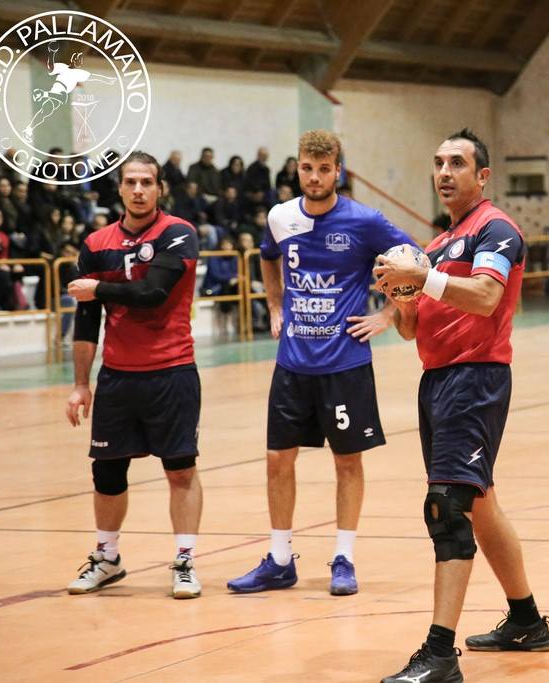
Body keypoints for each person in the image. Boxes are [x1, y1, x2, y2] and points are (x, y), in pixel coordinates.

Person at [374, 129, 549, 683]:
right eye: (438, 163)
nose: (445, 172)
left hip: (475, 380)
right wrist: (399, 296)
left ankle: (439, 655)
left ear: (482, 176)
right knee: (480, 505)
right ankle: (526, 621)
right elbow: (411, 331)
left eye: (457, 162)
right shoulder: (434, 246)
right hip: (437, 383)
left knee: (447, 508)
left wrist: (422, 278)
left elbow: (486, 297)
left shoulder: (495, 229)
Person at [226, 129, 416, 597]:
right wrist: (274, 305)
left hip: (345, 363)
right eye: (307, 169)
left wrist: (388, 314)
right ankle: (279, 560)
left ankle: (344, 558)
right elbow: (267, 257)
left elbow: (415, 260)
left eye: (324, 169)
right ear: (297, 168)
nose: (314, 177)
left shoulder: (364, 220)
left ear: (338, 171)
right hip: (293, 363)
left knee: (346, 461)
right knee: (277, 459)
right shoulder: (280, 217)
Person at [63, 151, 204, 599]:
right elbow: (87, 320)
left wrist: (99, 287)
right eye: (131, 182)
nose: (139, 190)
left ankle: (184, 561)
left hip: (172, 372)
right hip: (118, 378)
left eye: (147, 182)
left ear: (160, 188)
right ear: (120, 188)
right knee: (107, 472)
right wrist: (81, 384)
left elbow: (153, 292)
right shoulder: (96, 244)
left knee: (180, 469)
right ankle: (107, 558)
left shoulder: (178, 233)